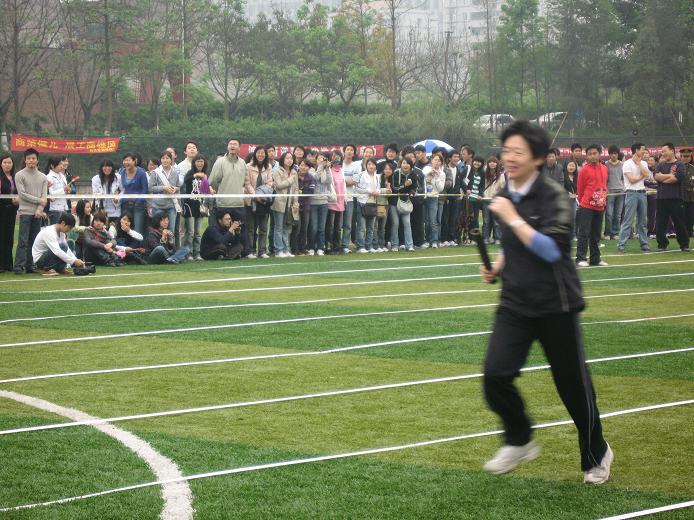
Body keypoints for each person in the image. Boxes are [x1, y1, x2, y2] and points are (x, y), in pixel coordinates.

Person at [480, 120, 612, 485]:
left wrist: (513, 218)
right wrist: (498, 266)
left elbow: (552, 250)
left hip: (557, 304)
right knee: (495, 375)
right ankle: (519, 438)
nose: (509, 158)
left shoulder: (554, 196)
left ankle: (596, 453)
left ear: (538, 158)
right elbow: (512, 242)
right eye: (506, 150)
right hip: (515, 302)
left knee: (573, 387)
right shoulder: (507, 190)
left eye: (518, 152)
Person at [209, 138, 250, 256]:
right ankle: (221, 252)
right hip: (223, 204)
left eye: (235, 144)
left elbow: (246, 181)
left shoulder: (242, 163)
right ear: (227, 147)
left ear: (239, 148)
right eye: (230, 144)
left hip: (238, 204)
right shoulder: (220, 162)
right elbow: (213, 181)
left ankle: (244, 252)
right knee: (223, 231)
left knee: (241, 230)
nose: (232, 146)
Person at [13, 148, 47, 274]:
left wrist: (39, 209)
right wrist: (39, 201)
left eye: (33, 158)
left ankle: (30, 265)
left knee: (34, 241)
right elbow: (22, 194)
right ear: (25, 160)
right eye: (29, 158)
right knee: (23, 241)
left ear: (37, 160)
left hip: (37, 213)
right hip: (25, 212)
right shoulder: (19, 175)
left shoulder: (43, 177)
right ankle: (18, 266)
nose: (31, 160)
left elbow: (44, 197)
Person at [575, 145, 608, 267]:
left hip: (600, 206)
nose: (592, 156)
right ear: (587, 156)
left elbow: (604, 185)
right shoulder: (583, 170)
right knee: (583, 233)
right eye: (589, 154)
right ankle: (580, 258)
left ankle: (595, 259)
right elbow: (580, 188)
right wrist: (583, 202)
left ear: (600, 154)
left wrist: (602, 200)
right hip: (586, 206)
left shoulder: (605, 168)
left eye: (594, 153)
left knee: (596, 234)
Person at [654, 143, 690, 251]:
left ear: (672, 151)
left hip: (676, 198)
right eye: (662, 151)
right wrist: (669, 176)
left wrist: (663, 179)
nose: (663, 153)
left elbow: (677, 178)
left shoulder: (680, 164)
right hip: (661, 198)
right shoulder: (660, 165)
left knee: (679, 222)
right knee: (660, 223)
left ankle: (684, 244)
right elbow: (656, 176)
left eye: (665, 151)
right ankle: (662, 244)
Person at [617, 143, 651, 253]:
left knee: (642, 221)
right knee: (628, 220)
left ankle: (644, 244)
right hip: (631, 193)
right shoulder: (627, 163)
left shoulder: (644, 163)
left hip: (642, 193)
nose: (644, 152)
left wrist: (639, 163)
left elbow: (647, 174)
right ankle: (621, 245)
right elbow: (631, 180)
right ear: (636, 150)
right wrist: (642, 175)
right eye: (642, 149)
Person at [244, 146, 273, 259]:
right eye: (258, 153)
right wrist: (255, 196)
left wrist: (262, 196)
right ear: (255, 154)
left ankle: (262, 251)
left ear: (265, 155)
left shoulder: (268, 166)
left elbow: (270, 182)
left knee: (263, 228)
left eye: (262, 153)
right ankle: (250, 251)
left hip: (264, 201)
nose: (260, 155)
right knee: (251, 228)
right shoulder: (248, 166)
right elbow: (247, 184)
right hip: (251, 201)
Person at [182, 154, 210, 261]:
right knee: (190, 232)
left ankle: (197, 253)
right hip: (190, 205)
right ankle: (188, 253)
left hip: (200, 206)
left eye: (201, 161)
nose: (199, 163)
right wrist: (196, 175)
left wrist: (206, 182)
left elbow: (205, 190)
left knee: (197, 232)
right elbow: (186, 181)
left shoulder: (205, 174)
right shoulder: (190, 173)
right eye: (197, 161)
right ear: (194, 163)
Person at [271, 152, 299, 257]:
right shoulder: (277, 171)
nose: (289, 160)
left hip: (290, 204)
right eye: (287, 158)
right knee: (278, 227)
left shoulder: (294, 172)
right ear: (283, 159)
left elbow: (296, 189)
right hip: (279, 203)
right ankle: (278, 250)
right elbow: (279, 185)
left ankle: (286, 249)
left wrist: (295, 202)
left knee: (287, 227)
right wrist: (290, 180)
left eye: (291, 158)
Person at [149, 150, 182, 230]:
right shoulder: (155, 172)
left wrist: (175, 189)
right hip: (158, 206)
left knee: (171, 230)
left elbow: (178, 187)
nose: (165, 160)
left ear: (171, 159)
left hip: (171, 205)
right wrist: (163, 188)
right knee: (158, 230)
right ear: (160, 160)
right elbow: (150, 188)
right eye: (163, 158)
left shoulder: (175, 172)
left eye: (167, 158)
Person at [355, 157, 383, 253]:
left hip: (373, 203)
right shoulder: (361, 175)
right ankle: (360, 246)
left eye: (373, 164)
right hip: (362, 203)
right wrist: (369, 191)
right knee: (362, 227)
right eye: (369, 164)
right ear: (366, 166)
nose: (371, 166)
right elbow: (357, 188)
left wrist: (377, 192)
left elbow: (378, 188)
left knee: (371, 227)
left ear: (376, 166)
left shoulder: (377, 176)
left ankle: (369, 246)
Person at [390, 157, 417, 251]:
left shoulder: (413, 174)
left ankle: (409, 245)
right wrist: (405, 185)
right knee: (395, 223)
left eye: (407, 163)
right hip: (394, 202)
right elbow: (395, 188)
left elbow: (415, 186)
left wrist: (412, 192)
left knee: (407, 223)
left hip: (405, 202)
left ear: (411, 165)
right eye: (403, 163)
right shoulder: (396, 173)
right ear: (400, 164)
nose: (405, 165)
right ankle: (394, 245)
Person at [120, 153, 149, 236]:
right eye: (124, 160)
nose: (126, 162)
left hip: (138, 206)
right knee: (125, 228)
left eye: (128, 160)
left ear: (134, 161)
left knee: (137, 229)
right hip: (125, 205)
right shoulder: (122, 172)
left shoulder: (141, 173)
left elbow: (145, 190)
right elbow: (121, 188)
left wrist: (137, 201)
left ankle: (138, 244)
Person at [309, 155, 333, 256]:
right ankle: (311, 247)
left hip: (324, 202)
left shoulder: (326, 169)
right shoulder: (311, 170)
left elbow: (328, 181)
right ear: (315, 160)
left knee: (321, 228)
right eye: (320, 158)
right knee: (313, 227)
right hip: (313, 202)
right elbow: (315, 178)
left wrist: (327, 169)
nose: (322, 160)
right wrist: (321, 166)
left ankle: (320, 247)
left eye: (324, 159)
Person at [291, 159, 315, 255]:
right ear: (298, 166)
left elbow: (311, 192)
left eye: (305, 166)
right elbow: (293, 190)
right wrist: (301, 191)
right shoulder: (294, 176)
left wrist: (301, 191)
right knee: (296, 228)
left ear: (309, 168)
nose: (303, 167)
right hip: (295, 206)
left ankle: (302, 249)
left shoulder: (311, 178)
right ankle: (294, 249)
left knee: (304, 229)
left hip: (306, 207)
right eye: (301, 165)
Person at [422, 153, 446, 248]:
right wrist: (429, 173)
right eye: (435, 160)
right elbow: (421, 179)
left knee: (433, 220)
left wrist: (436, 177)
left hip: (434, 197)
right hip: (424, 196)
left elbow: (440, 188)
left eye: (439, 161)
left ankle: (434, 241)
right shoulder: (426, 169)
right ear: (431, 160)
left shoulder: (442, 174)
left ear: (441, 163)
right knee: (426, 221)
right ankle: (427, 240)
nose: (437, 162)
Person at [0, 153, 18, 272]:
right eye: (5, 162)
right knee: (1, 237)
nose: (7, 164)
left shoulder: (15, 177)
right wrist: (10, 200)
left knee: (9, 237)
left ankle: (8, 264)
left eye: (9, 162)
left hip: (11, 211)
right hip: (1, 210)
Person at [482, 156, 506, 244]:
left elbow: (503, 188)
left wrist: (499, 196)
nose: (492, 164)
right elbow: (481, 187)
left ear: (497, 164)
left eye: (494, 162)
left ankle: (497, 238)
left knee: (496, 221)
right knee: (486, 221)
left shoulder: (501, 175)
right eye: (490, 162)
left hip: (496, 201)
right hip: (485, 200)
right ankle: (485, 238)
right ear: (488, 164)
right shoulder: (484, 174)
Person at [326, 153, 346, 254]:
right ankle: (329, 246)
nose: (336, 158)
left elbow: (344, 186)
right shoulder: (329, 170)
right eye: (334, 156)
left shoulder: (342, 171)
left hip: (341, 202)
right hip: (331, 202)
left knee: (338, 227)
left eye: (338, 156)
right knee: (330, 226)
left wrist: (345, 199)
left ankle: (337, 246)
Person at [604, 145, 625, 240]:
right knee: (609, 214)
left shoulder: (622, 165)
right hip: (610, 192)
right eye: (612, 153)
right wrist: (605, 188)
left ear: (618, 154)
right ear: (609, 154)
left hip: (620, 192)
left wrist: (624, 187)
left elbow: (624, 178)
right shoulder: (605, 164)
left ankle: (615, 233)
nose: (613, 155)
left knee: (618, 214)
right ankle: (607, 233)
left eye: (615, 153)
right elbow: (604, 179)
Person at [91, 159, 121, 225]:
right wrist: (101, 208)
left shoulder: (118, 177)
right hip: (102, 211)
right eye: (104, 166)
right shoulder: (95, 179)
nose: (107, 168)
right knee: (103, 229)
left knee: (114, 229)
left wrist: (118, 198)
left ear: (112, 167)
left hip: (116, 210)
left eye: (109, 166)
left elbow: (123, 190)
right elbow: (96, 194)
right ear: (101, 168)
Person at [46, 156, 70, 224]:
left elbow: (64, 190)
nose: (62, 166)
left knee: (64, 229)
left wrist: (68, 190)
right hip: (55, 209)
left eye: (62, 164)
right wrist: (63, 189)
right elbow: (50, 193)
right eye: (59, 164)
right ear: (52, 165)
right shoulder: (49, 177)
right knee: (56, 229)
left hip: (64, 207)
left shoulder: (62, 176)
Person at [682, 148, 694, 237]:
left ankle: (690, 231)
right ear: (681, 157)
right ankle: (683, 232)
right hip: (681, 195)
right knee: (682, 215)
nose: (686, 158)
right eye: (684, 156)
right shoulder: (678, 167)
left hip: (691, 196)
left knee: (691, 214)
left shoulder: (692, 168)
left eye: (688, 156)